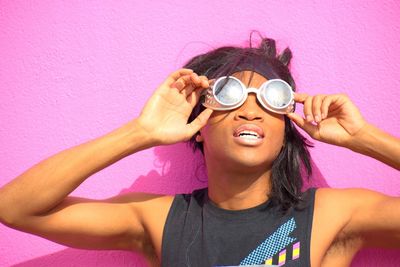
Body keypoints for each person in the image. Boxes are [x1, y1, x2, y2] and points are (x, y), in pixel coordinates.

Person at [0, 34, 399, 267]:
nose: (250, 109)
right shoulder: (160, 220)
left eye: (271, 99)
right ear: (198, 126)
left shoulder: (333, 216)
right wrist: (139, 133)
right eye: (228, 95)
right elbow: (15, 208)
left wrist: (364, 138)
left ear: (286, 126)